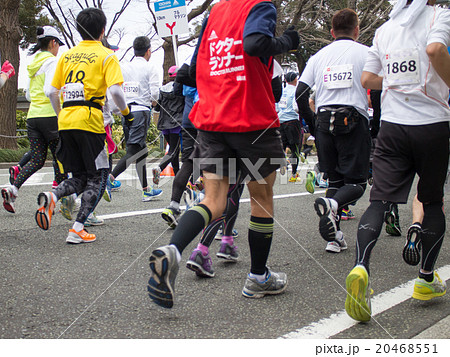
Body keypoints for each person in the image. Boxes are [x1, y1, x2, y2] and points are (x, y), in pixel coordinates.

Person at [147, 0, 299, 308]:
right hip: (252, 123)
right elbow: (256, 43)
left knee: (213, 200)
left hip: (213, 123)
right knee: (261, 197)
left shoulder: (213, 13)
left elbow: (188, 72)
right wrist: (288, 42)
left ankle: (174, 251)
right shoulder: (260, 6)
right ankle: (258, 278)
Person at [345, 0, 450, 323]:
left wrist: (394, 81)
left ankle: (361, 265)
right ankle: (426, 278)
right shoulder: (440, 15)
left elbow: (367, 78)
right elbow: (434, 50)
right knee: (431, 202)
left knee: (379, 200)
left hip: (392, 126)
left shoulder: (386, 28)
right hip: (432, 124)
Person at [36, 7, 133, 244]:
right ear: (102, 30)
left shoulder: (66, 56)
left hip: (66, 120)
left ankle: (53, 195)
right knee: (99, 176)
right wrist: (127, 114)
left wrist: (62, 114)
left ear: (79, 30)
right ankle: (77, 227)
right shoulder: (107, 55)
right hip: (90, 121)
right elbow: (116, 91)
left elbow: (50, 90)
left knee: (79, 175)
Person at [296, 8, 371, 254]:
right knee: (358, 183)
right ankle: (334, 203)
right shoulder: (367, 53)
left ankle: (334, 238)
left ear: (331, 32)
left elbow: (300, 94)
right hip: (354, 119)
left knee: (335, 180)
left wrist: (312, 122)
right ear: (357, 30)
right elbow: (377, 92)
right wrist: (377, 122)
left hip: (324, 121)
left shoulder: (318, 56)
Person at [1, 26, 67, 214]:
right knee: (59, 159)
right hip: (50, 116)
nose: (58, 48)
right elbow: (50, 91)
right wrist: (60, 113)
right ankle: (56, 200)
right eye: (58, 44)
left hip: (33, 117)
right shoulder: (52, 62)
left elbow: (29, 96)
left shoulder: (34, 63)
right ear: (53, 42)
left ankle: (13, 189)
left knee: (37, 159)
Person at [108, 36, 162, 202]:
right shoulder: (150, 67)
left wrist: (117, 109)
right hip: (141, 111)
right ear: (148, 51)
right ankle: (109, 179)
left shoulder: (125, 67)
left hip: (127, 111)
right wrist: (154, 101)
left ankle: (146, 189)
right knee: (133, 150)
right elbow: (155, 93)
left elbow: (117, 88)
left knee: (141, 151)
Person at [152, 65, 184, 184]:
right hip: (176, 123)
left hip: (164, 124)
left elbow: (157, 108)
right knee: (173, 151)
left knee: (173, 151)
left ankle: (177, 178)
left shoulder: (162, 89)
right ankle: (159, 168)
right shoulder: (180, 89)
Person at [278, 72, 303, 183]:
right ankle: (293, 174)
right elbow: (296, 107)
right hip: (292, 121)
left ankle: (282, 162)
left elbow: (276, 107)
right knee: (295, 148)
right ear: (294, 80)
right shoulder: (295, 91)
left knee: (282, 146)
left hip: (280, 121)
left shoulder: (282, 92)